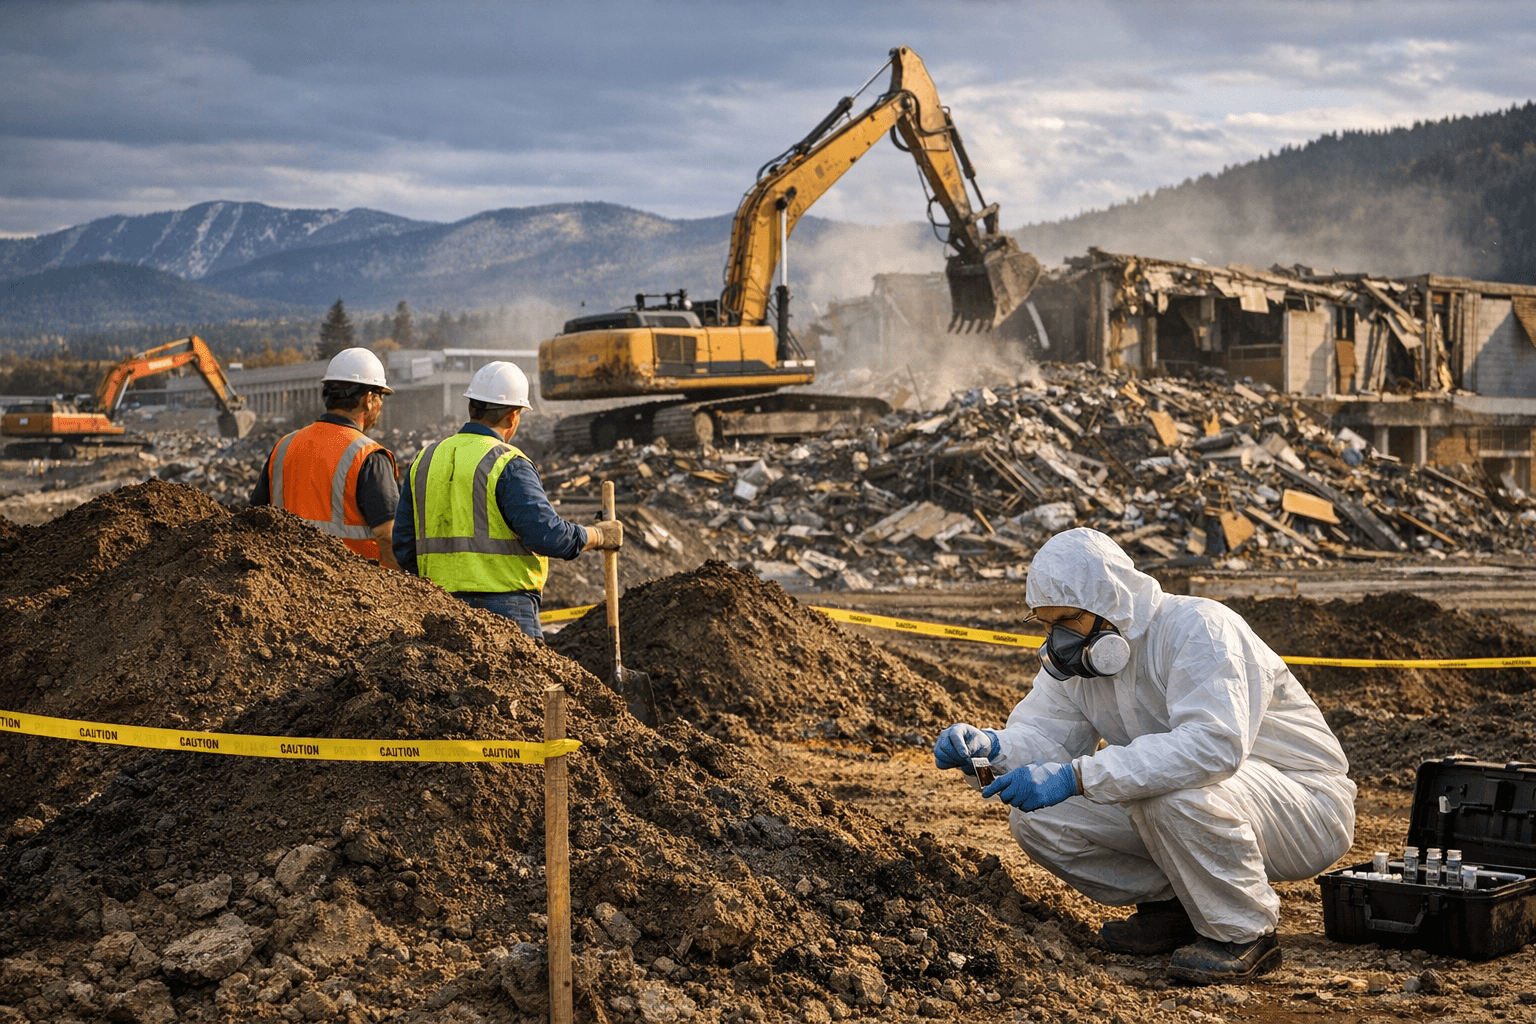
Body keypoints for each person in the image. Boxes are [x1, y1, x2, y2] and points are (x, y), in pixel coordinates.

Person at [934, 528, 1355, 984]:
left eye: (1069, 619)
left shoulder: (1200, 629)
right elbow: (1046, 737)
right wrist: (994, 747)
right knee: (1039, 820)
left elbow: (1212, 747)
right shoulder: (1079, 666)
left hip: (1303, 802)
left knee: (1169, 792)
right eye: (1046, 623)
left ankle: (1243, 933)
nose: (1058, 638)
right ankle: (1176, 908)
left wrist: (1076, 776)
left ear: (1111, 600)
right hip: (1203, 799)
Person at [392, 360, 622, 639]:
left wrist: (439, 585)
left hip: (439, 611)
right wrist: (598, 535)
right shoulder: (506, 462)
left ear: (470, 407)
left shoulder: (425, 460)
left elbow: (404, 544)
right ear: (513, 416)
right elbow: (547, 535)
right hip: (507, 611)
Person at [251, 347, 401, 570]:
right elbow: (387, 537)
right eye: (380, 397)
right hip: (351, 590)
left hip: (282, 585)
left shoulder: (284, 446)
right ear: (369, 399)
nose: (380, 407)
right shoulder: (369, 456)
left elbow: (254, 518)